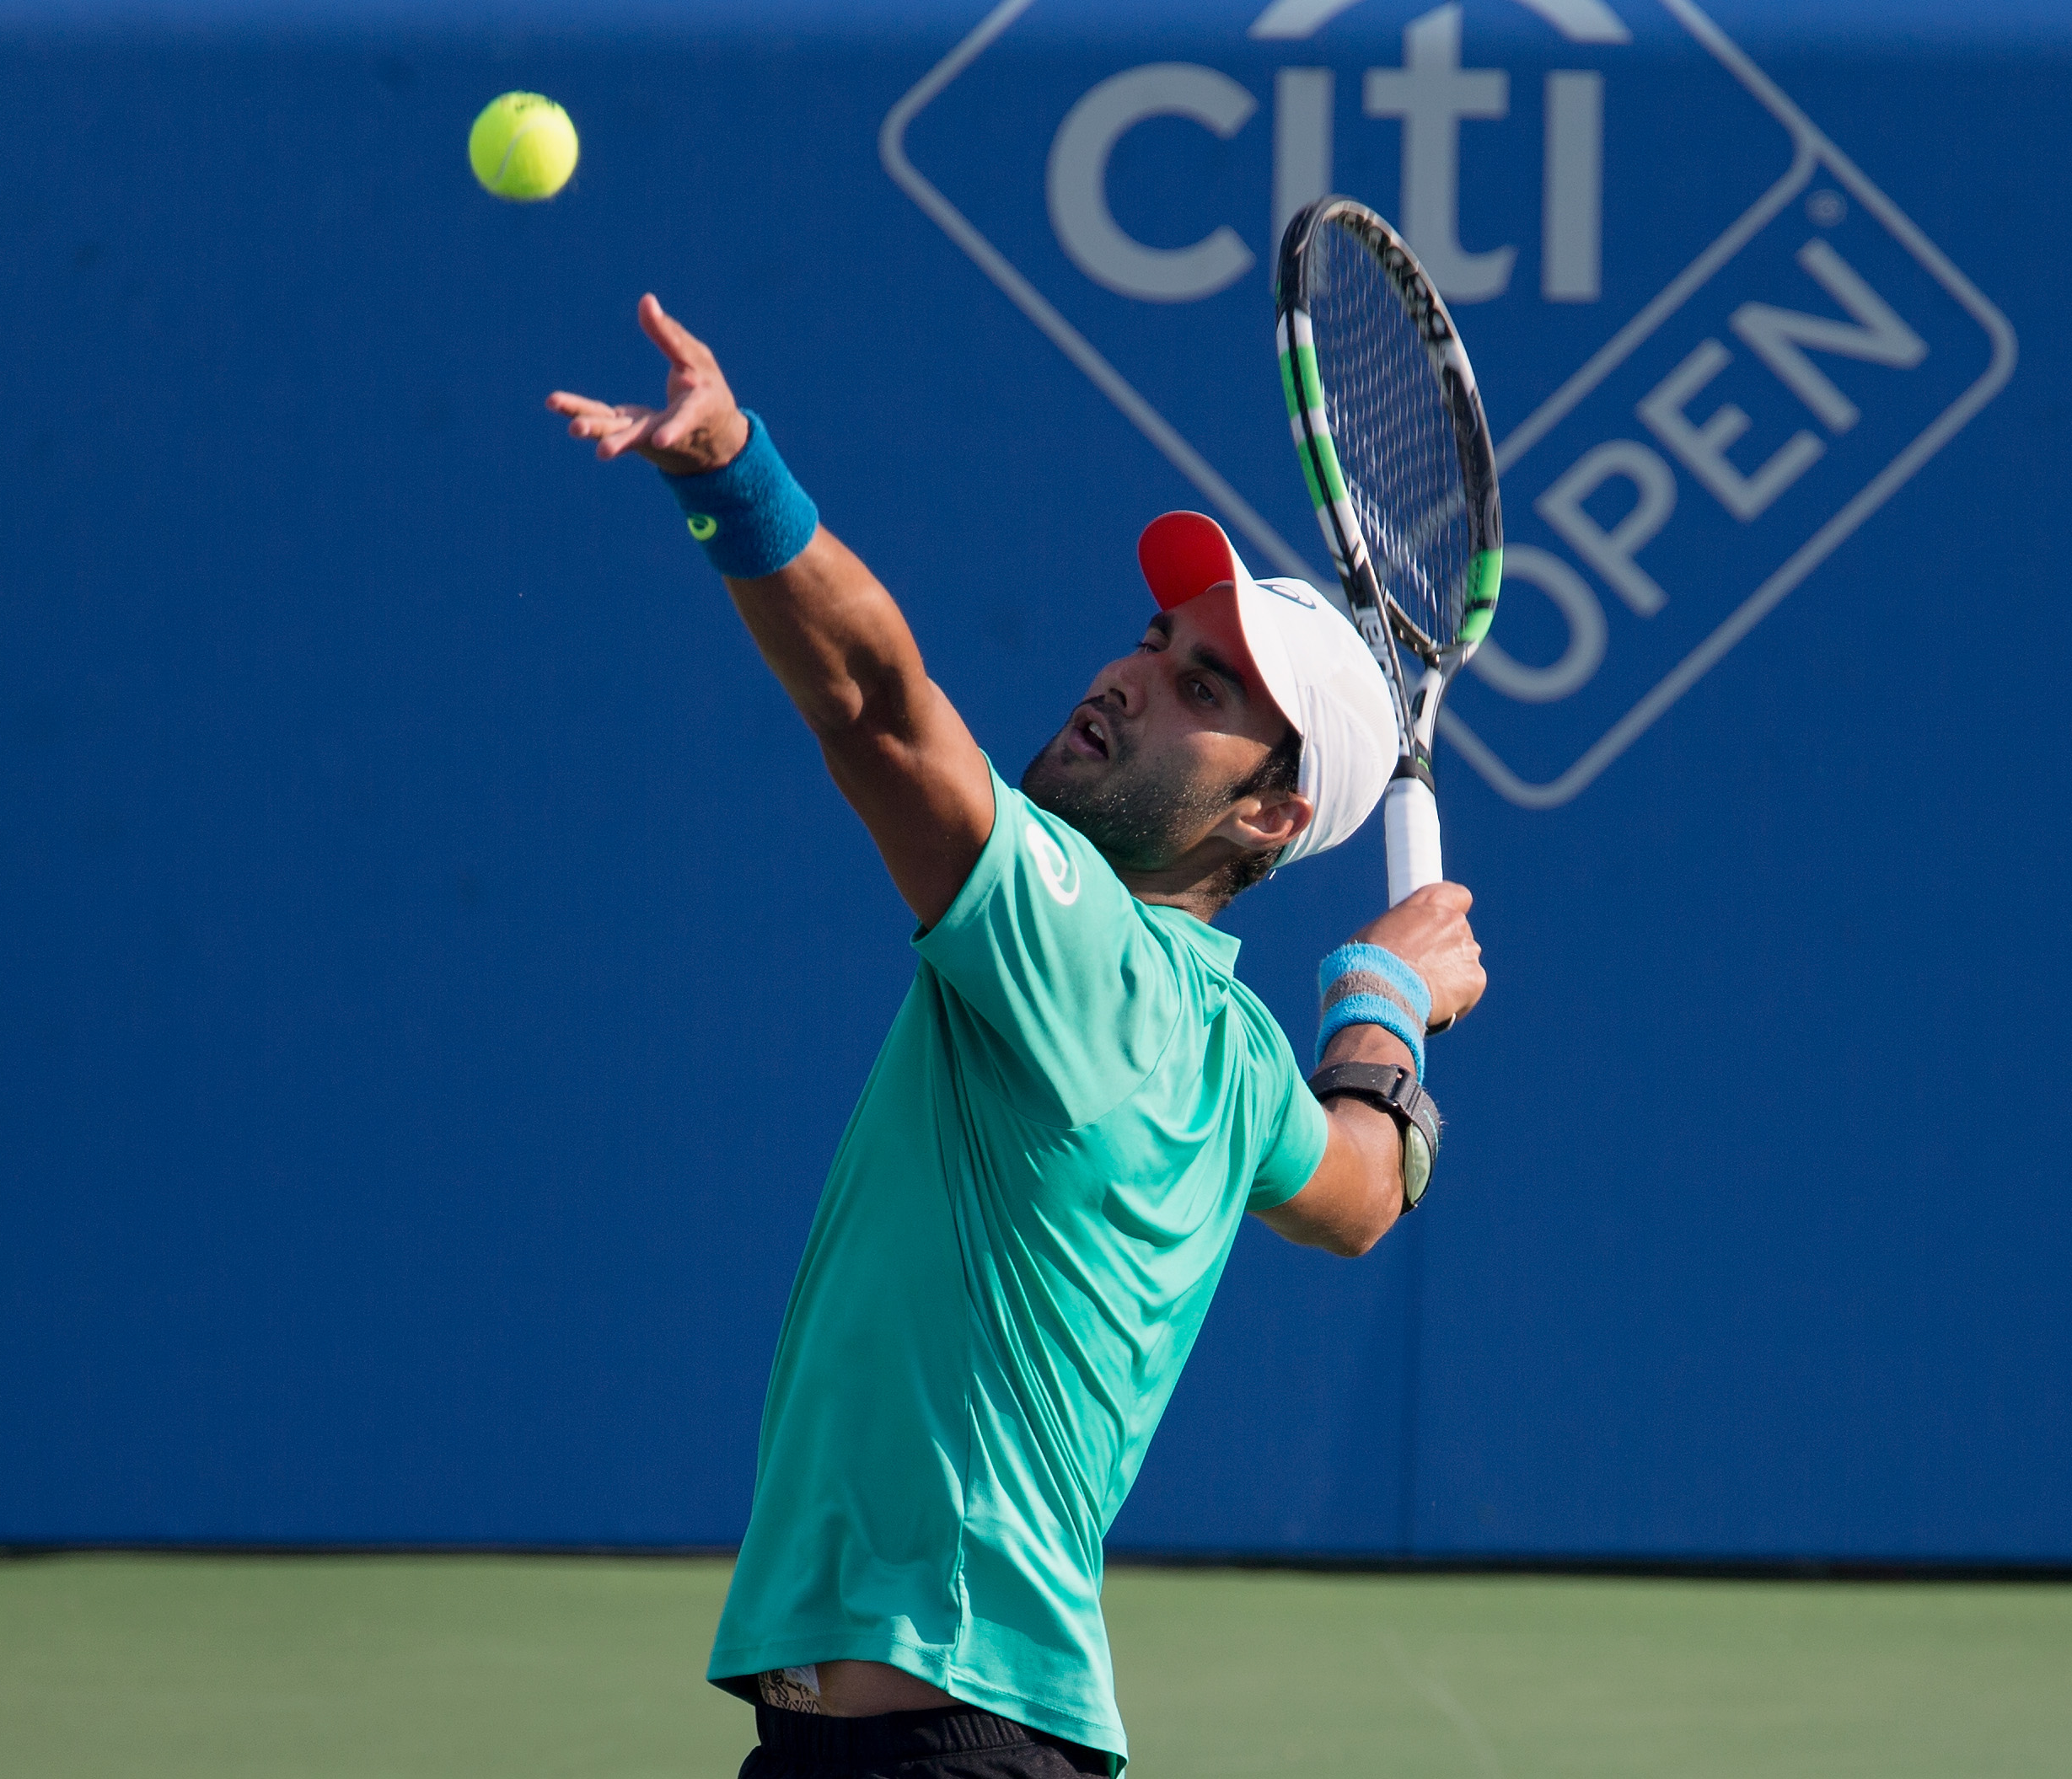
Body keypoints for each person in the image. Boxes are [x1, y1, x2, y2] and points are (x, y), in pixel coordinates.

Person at [548, 296, 1486, 1779]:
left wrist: (731, 468)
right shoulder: (1236, 1055)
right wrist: (1380, 999)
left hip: (934, 1749)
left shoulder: (1077, 949)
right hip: (949, 1740)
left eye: (1203, 691)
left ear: (1270, 815)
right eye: (1151, 641)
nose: (1129, 677)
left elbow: (873, 710)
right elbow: (1363, 1192)